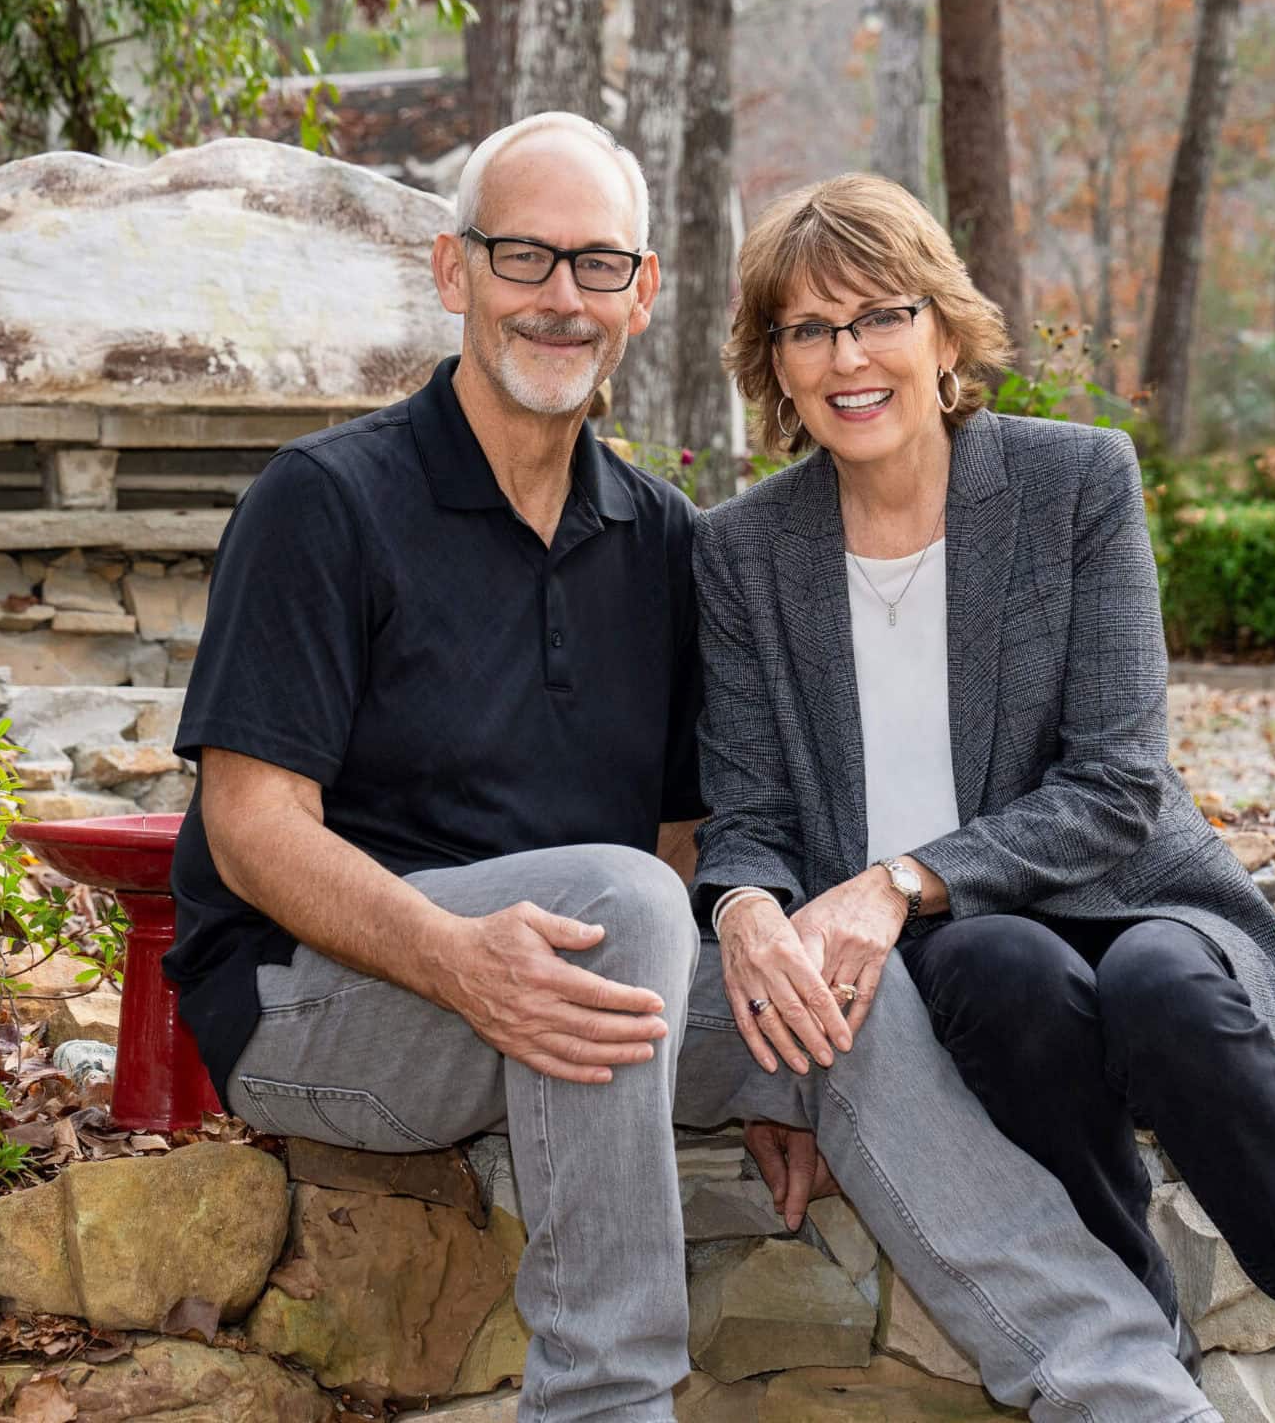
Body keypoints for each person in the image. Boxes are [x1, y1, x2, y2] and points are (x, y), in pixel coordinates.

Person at [164, 114, 1219, 1423]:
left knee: (833, 992)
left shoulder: (661, 539)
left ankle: (1125, 1390)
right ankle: (605, 1403)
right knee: (612, 913)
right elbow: (253, 828)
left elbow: (683, 838)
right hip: (318, 1004)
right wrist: (456, 954)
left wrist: (759, 1060)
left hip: (582, 986)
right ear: (453, 273)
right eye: (523, 259)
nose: (561, 298)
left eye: (598, 265)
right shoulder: (325, 502)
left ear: (643, 293)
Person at [693, 170, 1275, 1423]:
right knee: (998, 971)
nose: (847, 355)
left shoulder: (1072, 482)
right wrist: (746, 912)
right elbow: (749, 814)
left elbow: (1114, 781)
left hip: (1125, 887)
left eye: (877, 314)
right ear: (774, 365)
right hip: (956, 944)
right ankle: (1133, 1337)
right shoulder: (741, 550)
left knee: (1155, 985)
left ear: (940, 330)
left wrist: (890, 883)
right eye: (806, 330)